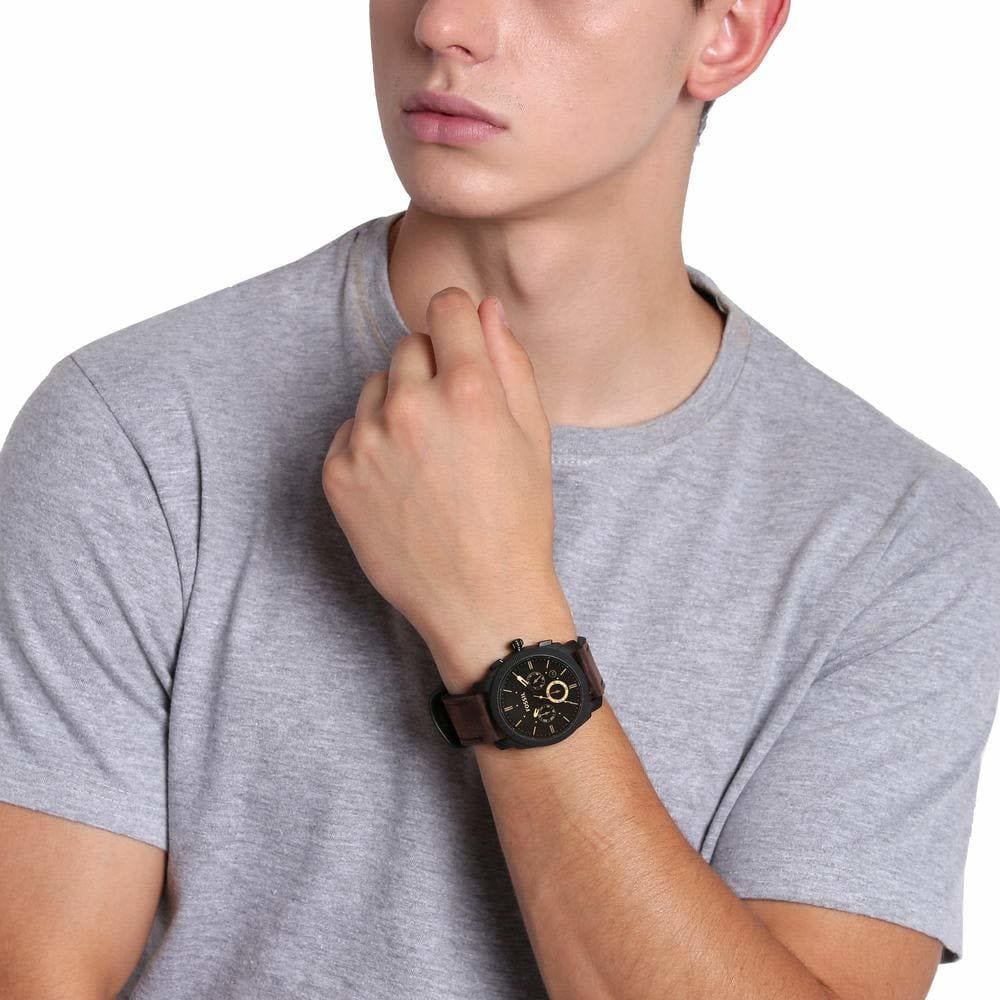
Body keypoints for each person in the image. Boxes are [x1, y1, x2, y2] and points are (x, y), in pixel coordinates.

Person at [1, 1, 997, 997]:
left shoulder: (901, 545)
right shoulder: (135, 431)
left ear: (727, 32)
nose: (443, 23)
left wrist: (498, 616)